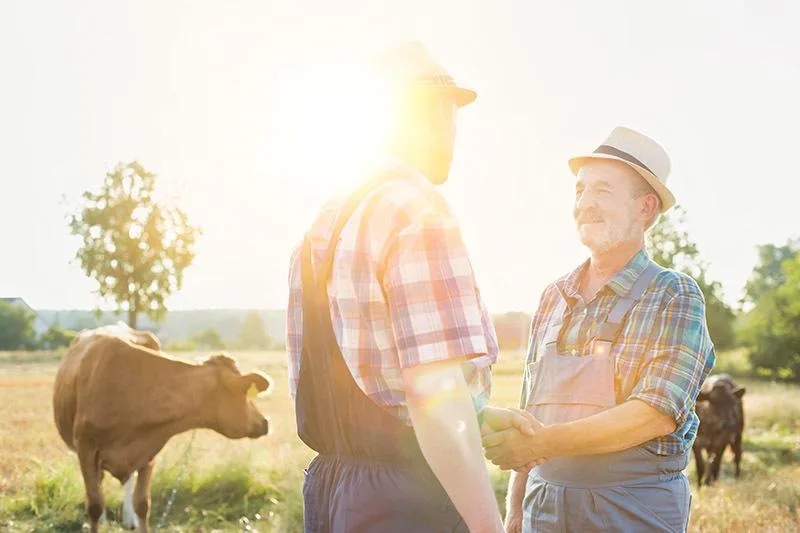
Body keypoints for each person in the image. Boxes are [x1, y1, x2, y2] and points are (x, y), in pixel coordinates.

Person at [286, 41, 518, 532]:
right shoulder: (416, 211)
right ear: (432, 114)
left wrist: (476, 417)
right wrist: (488, 525)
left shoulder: (325, 221)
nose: (456, 132)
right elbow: (432, 391)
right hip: (405, 497)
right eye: (453, 115)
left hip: (330, 486)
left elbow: (371, 377)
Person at [482, 126, 715, 532]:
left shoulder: (673, 294)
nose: (585, 203)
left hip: (632, 510)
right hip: (544, 508)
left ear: (645, 208)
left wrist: (541, 444)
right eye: (579, 191)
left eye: (602, 191)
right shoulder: (553, 296)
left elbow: (655, 414)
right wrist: (516, 509)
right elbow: (531, 409)